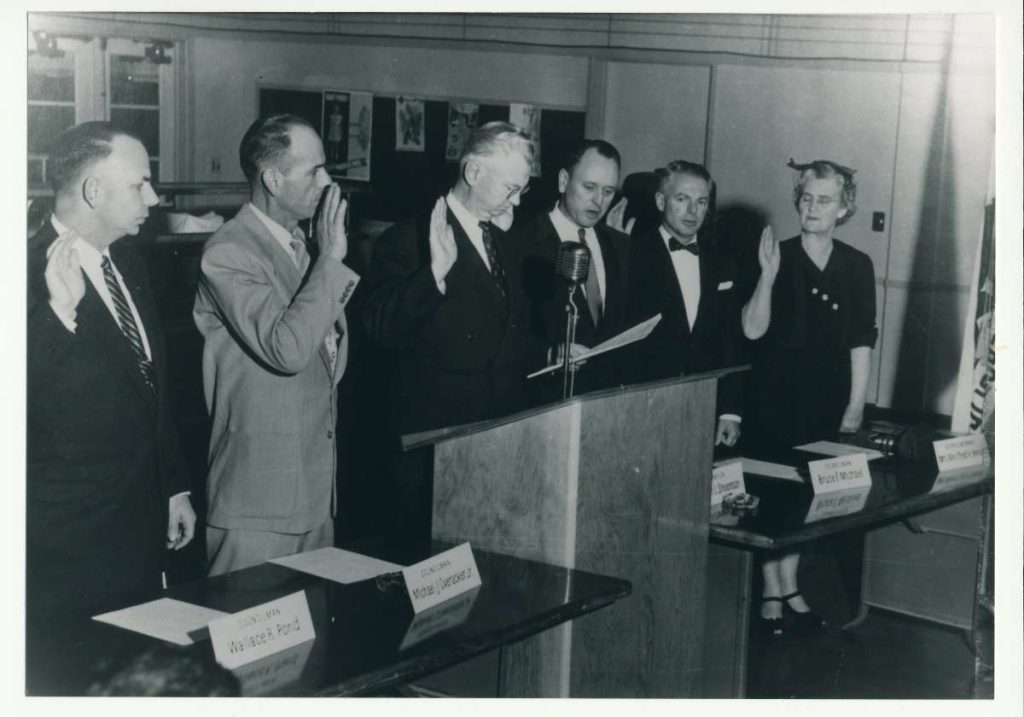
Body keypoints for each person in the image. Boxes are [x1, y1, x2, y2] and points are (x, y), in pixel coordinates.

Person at [27, 122, 197, 626]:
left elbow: (150, 388)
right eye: (139, 184)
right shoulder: (21, 272)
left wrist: (172, 487)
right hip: (68, 553)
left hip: (141, 532)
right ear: (93, 191)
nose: (155, 195)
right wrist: (58, 316)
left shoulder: (129, 264)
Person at [193, 114, 359, 576]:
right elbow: (287, 351)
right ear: (272, 178)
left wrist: (322, 256)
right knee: (244, 640)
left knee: (316, 644)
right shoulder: (228, 253)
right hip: (258, 502)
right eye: (314, 171)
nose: (327, 182)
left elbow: (327, 353)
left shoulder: (301, 246)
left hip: (313, 494)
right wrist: (331, 258)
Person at [361, 121, 535, 549]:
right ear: (473, 173)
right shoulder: (409, 239)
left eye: (522, 191)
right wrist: (433, 274)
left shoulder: (505, 238)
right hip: (433, 454)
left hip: (495, 444)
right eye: (510, 188)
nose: (516, 201)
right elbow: (379, 328)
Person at [741, 158, 878, 636]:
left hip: (828, 400)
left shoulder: (858, 266)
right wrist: (765, 276)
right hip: (773, 399)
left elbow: (862, 339)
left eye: (824, 200)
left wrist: (855, 404)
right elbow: (752, 330)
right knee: (774, 494)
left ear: (844, 208)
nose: (812, 207)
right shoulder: (776, 255)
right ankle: (771, 587)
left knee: (808, 497)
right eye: (806, 198)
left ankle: (790, 582)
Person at [624, 160, 743, 446]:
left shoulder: (722, 262)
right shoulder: (629, 254)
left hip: (704, 408)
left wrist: (730, 411)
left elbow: (731, 340)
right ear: (660, 200)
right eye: (682, 199)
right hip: (643, 408)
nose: (693, 211)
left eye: (701, 202)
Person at [517, 139, 631, 399]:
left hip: (608, 400)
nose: (598, 201)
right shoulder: (522, 242)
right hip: (545, 402)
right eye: (589, 187)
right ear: (563, 181)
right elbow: (508, 336)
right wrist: (550, 354)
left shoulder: (621, 245)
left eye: (608, 191)